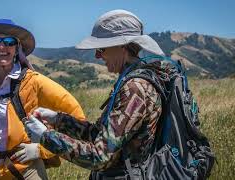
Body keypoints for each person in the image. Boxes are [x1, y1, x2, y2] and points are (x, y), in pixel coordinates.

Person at [23, 10, 179, 179]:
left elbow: (100, 157)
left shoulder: (135, 89)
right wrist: (57, 120)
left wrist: (46, 137)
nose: (97, 55)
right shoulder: (130, 81)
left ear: (123, 46)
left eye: (102, 48)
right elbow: (99, 135)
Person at [0, 19, 85, 180]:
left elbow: (76, 117)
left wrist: (41, 149)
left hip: (26, 171)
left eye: (9, 42)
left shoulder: (33, 81)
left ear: (17, 48)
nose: (2, 47)